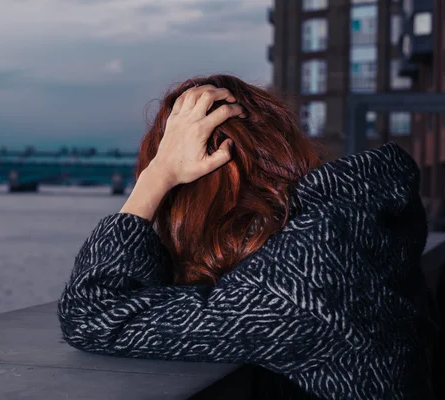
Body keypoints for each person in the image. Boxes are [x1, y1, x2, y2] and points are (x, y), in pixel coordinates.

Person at [57, 74, 439, 399]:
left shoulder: (294, 288)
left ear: (204, 182)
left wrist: (155, 178)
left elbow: (93, 315)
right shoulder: (347, 234)